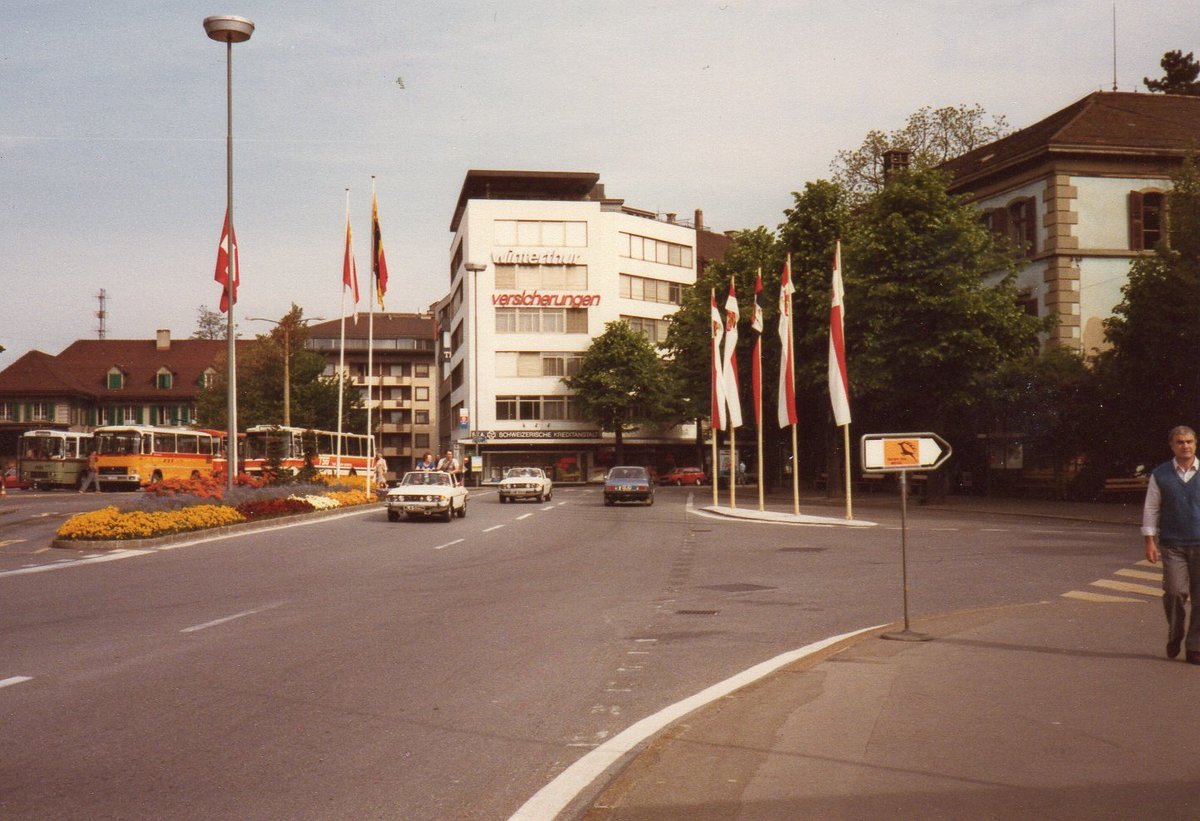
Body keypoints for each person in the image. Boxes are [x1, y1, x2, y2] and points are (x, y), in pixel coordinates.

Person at [1142, 425, 1200, 664]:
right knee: (1175, 592)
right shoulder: (1161, 474)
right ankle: (1175, 633)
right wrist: (1149, 541)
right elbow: (1151, 508)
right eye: (1180, 442)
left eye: (1189, 441)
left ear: (1195, 443)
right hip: (1172, 544)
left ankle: (1195, 645)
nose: (1185, 446)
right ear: (1172, 446)